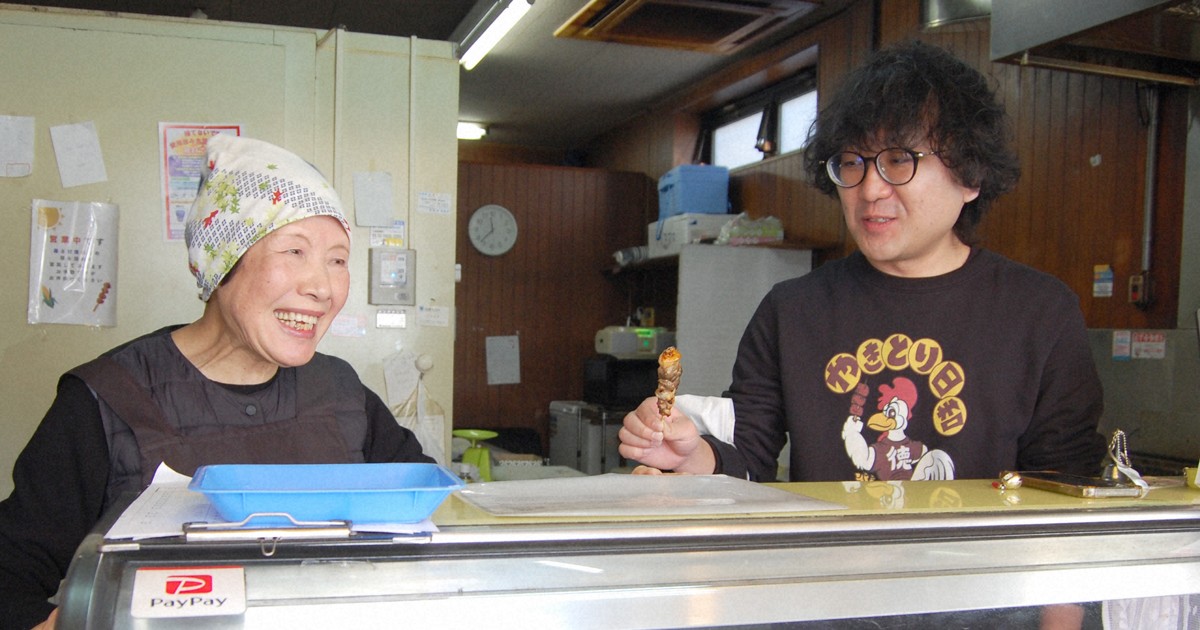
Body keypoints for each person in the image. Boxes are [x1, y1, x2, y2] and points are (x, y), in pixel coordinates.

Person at [621, 38, 1108, 630]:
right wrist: (691, 453)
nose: (871, 189)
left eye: (900, 159)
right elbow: (747, 457)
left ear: (971, 175)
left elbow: (1065, 501)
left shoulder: (1039, 312)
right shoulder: (792, 310)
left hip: (984, 608)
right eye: (852, 163)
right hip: (826, 606)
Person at [0, 135, 432, 630]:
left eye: (337, 259)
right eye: (295, 250)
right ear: (221, 260)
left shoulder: (342, 392)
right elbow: (11, 574)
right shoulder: (107, 398)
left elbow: (425, 521)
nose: (323, 287)